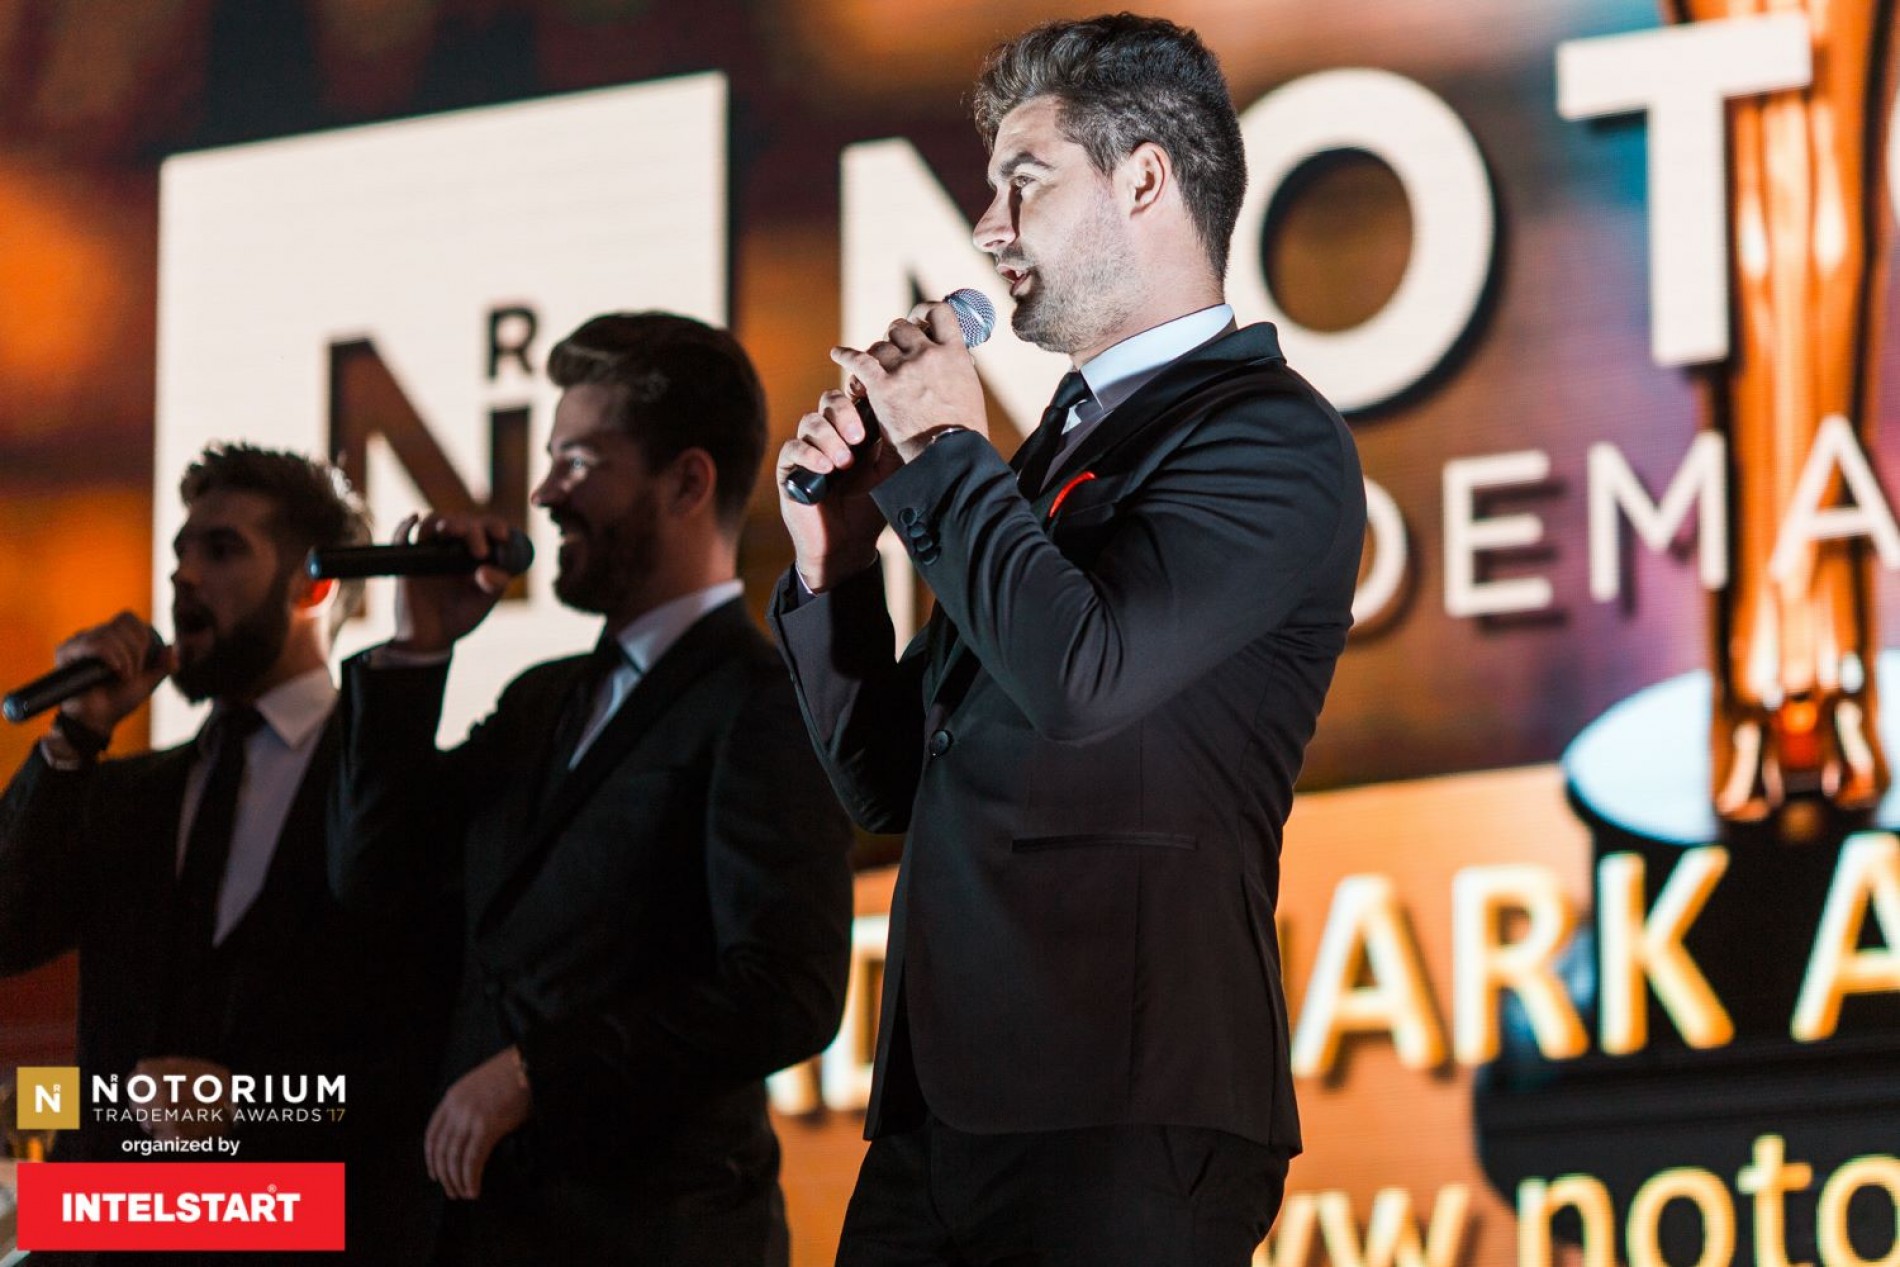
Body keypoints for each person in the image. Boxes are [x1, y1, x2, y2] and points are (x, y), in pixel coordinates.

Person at [771, 14, 1366, 1265]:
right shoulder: (1046, 452)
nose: (987, 226)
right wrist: (835, 564)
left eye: (1022, 181)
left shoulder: (1271, 435)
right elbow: (891, 780)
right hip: (942, 1112)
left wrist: (945, 449)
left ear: (1143, 180)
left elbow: (1084, 677)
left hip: (1125, 1108)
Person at [328, 311, 854, 1266]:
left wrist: (538, 1072)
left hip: (650, 1238)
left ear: (687, 482)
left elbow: (787, 991)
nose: (543, 494)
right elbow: (377, 882)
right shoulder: (541, 700)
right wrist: (417, 652)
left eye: (578, 461)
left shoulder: (762, 703)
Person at [0, 443, 433, 1264]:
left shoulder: (384, 785)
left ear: (313, 585)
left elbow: (415, 1058)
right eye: (180, 552)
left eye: (223, 550)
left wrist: (255, 1106)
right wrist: (76, 732)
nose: (183, 576)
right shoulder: (130, 793)